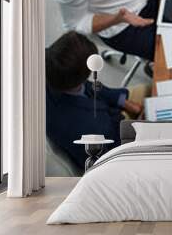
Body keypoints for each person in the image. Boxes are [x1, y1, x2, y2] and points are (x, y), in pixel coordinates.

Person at [46, 31, 147, 168]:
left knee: (153, 91)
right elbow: (119, 153)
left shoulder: (52, 69)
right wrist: (141, 124)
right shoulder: (94, 128)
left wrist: (124, 102)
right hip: (116, 146)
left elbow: (89, 86)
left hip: (104, 113)